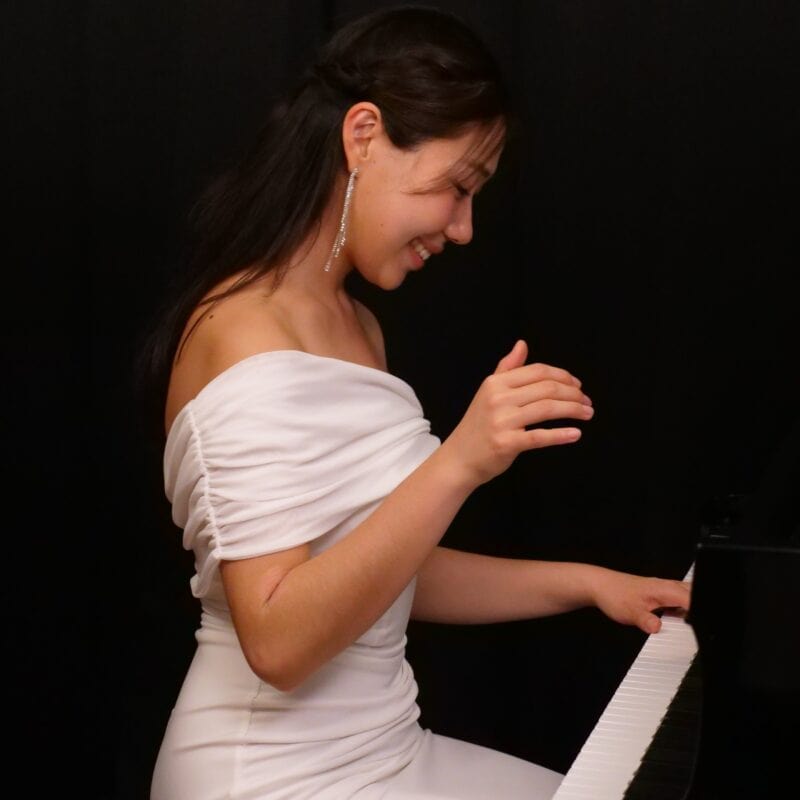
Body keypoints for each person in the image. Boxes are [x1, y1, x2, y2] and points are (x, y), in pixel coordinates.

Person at [141, 6, 691, 799]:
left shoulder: (359, 326)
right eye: (455, 187)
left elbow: (380, 574)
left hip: (387, 750)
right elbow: (281, 643)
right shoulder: (239, 331)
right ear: (363, 135)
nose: (464, 228)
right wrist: (461, 461)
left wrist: (591, 583)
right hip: (268, 775)